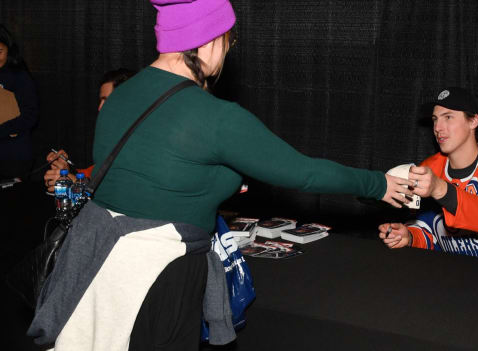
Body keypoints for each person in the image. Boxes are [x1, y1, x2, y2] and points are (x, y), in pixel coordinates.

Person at [27, 1, 413, 350]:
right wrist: (377, 183)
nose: (228, 51)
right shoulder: (216, 117)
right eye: (229, 40)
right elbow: (304, 173)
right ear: (209, 40)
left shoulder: (120, 96)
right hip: (159, 278)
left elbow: (153, 170)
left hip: (96, 268)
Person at [379, 87, 478, 264]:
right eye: (435, 119)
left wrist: (440, 189)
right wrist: (409, 236)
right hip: (455, 275)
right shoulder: (431, 167)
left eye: (448, 117)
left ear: (473, 121)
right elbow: (429, 229)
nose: (438, 128)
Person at [42, 68, 136, 192]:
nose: (100, 107)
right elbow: (96, 174)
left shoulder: (140, 141)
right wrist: (67, 171)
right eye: (101, 100)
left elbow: (124, 191)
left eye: (106, 100)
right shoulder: (116, 135)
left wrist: (75, 183)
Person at [0, 24, 38, 180]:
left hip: (14, 155)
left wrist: (3, 130)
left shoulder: (18, 75)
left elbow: (30, 115)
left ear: (8, 50)